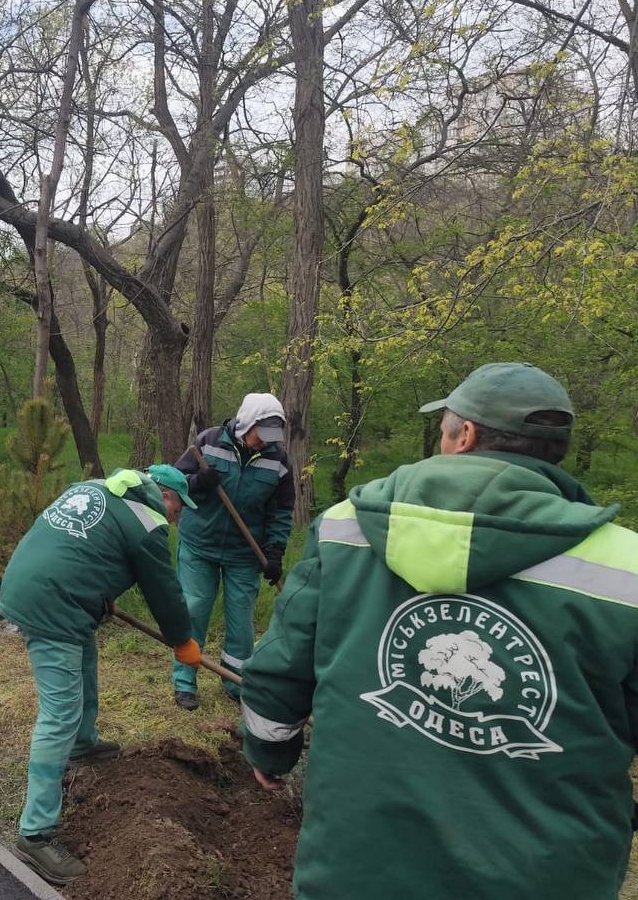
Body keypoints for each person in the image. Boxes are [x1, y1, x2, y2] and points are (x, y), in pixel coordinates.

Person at [239, 362, 638, 900]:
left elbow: (277, 673)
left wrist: (269, 753)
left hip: (356, 870)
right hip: (546, 876)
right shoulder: (625, 570)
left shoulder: (344, 529)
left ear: (464, 435)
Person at [0, 464, 200, 885]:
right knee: (59, 714)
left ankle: (83, 744)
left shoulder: (97, 487)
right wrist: (182, 640)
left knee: (85, 658)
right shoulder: (147, 522)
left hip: (34, 583)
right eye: (178, 509)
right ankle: (34, 835)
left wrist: (100, 590)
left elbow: (81, 545)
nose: (176, 518)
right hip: (53, 604)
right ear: (165, 496)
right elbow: (164, 592)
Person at [170, 392, 293, 709]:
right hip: (199, 544)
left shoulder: (278, 461)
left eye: (271, 435)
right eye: (260, 433)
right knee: (194, 609)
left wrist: (275, 551)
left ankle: (236, 682)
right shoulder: (209, 442)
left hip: (245, 553)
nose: (264, 441)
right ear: (246, 423)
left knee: (241, 621)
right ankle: (184, 682)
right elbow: (173, 482)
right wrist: (197, 482)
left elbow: (281, 511)